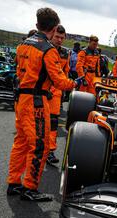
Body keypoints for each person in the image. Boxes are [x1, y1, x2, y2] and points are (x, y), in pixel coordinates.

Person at [7, 8, 81, 202]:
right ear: (55, 27)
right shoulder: (48, 50)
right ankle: (29, 188)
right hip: (37, 101)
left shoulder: (23, 45)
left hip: (21, 100)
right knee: (40, 145)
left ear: (37, 24)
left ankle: (13, 182)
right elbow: (59, 81)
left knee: (21, 142)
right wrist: (75, 83)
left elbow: (17, 71)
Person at [47, 25, 70, 165]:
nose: (59, 40)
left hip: (56, 92)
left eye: (62, 38)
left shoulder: (65, 53)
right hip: (41, 90)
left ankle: (50, 151)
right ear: (52, 34)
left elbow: (65, 73)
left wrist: (66, 89)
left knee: (53, 121)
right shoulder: (44, 48)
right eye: (57, 37)